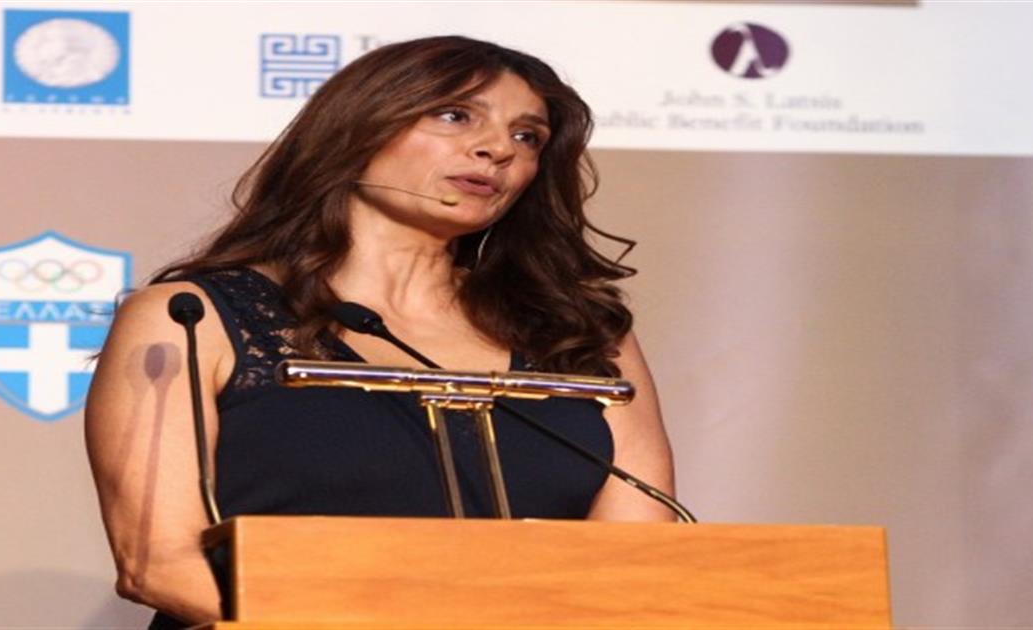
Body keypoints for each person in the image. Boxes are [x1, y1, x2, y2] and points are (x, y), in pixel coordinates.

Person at [85, 35, 675, 627]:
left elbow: (633, 557)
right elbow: (158, 562)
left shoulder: (579, 332)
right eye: (455, 115)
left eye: (528, 137)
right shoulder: (191, 316)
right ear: (359, 127)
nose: (498, 148)